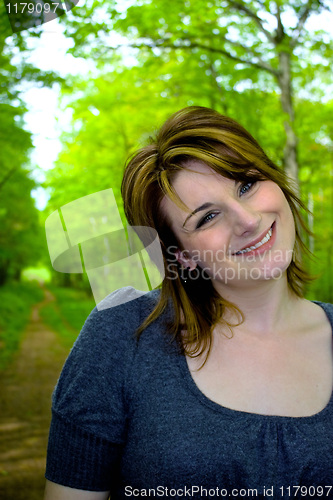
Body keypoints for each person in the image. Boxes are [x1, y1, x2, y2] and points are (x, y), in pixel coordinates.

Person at [44, 106, 333, 500]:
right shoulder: (120, 336)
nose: (247, 219)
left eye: (247, 184)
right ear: (181, 256)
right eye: (207, 217)